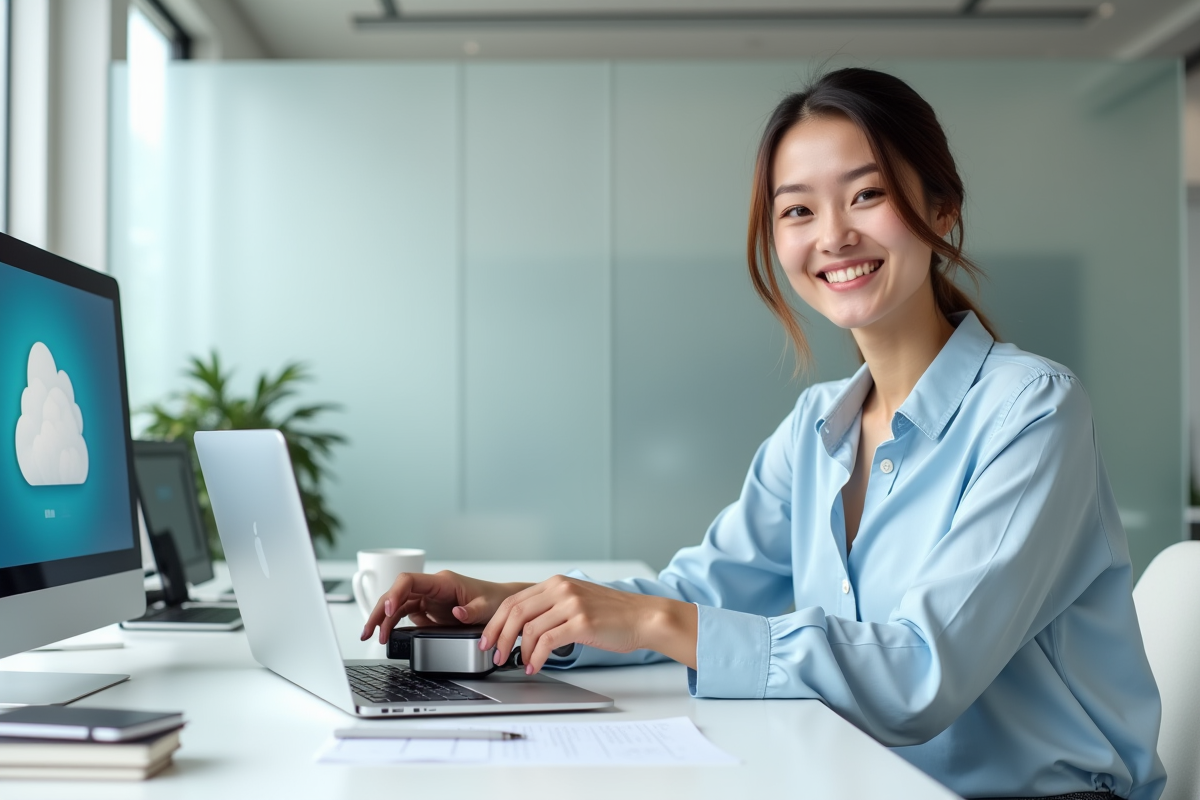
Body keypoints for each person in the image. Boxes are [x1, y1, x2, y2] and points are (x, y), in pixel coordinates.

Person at [361, 68, 1165, 800]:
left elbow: (920, 672)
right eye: (798, 211)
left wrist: (652, 622)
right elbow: (705, 595)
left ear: (942, 207)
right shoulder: (817, 426)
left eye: (867, 195)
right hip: (860, 777)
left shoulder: (1032, 411)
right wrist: (516, 605)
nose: (833, 236)